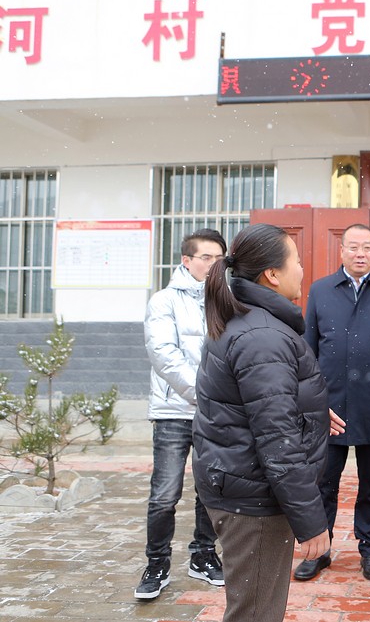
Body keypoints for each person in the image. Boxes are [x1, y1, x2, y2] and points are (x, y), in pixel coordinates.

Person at [192, 223, 343, 622]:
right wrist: (311, 521)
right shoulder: (263, 335)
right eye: (297, 261)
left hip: (241, 484)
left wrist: (307, 409)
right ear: (272, 274)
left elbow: (251, 404)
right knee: (256, 614)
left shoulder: (252, 323)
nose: (303, 270)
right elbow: (277, 440)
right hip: (254, 498)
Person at [295, 223, 370, 582]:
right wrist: (308, 400)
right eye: (354, 247)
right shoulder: (321, 290)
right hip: (328, 405)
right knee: (322, 482)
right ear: (342, 251)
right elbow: (308, 350)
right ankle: (319, 550)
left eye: (367, 247)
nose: (361, 254)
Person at [136, 228, 227, 600]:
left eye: (219, 258)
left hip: (214, 413)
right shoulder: (164, 301)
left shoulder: (226, 299)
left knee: (210, 491)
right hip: (174, 411)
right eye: (206, 257)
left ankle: (203, 555)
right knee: (164, 494)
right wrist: (204, 393)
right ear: (186, 261)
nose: (213, 264)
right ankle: (156, 564)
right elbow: (163, 354)